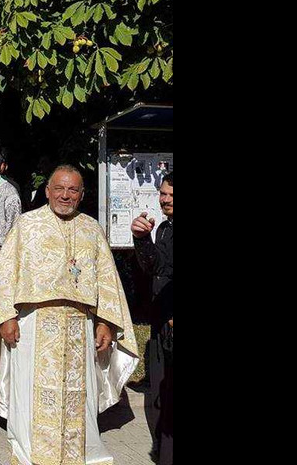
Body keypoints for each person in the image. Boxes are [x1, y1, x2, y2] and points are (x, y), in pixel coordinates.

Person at [0, 165, 139, 465]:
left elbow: (106, 281)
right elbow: (4, 275)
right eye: (60, 189)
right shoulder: (27, 224)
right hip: (34, 323)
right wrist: (5, 317)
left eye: (73, 190)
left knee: (81, 394)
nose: (65, 195)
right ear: (48, 191)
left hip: (81, 324)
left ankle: (80, 451)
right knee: (30, 394)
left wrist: (105, 322)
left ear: (81, 194)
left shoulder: (92, 229)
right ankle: (30, 452)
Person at [132, 171, 173, 465]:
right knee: (161, 390)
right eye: (163, 194)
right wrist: (142, 239)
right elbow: (155, 266)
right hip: (161, 319)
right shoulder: (164, 229)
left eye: (172, 195)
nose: (165, 200)